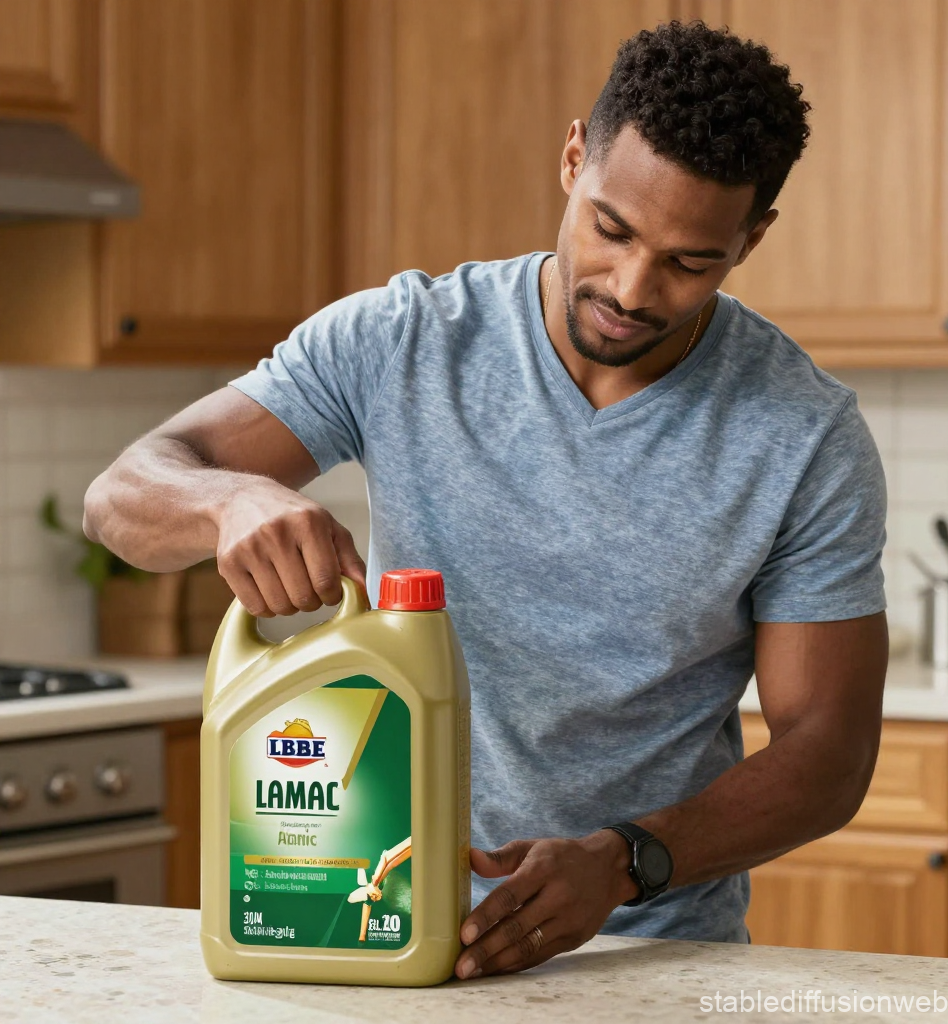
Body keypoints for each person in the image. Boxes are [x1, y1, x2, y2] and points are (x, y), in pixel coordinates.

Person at [84, 20, 887, 979]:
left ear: (751, 239)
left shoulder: (803, 436)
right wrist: (225, 504)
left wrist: (625, 859)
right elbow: (122, 495)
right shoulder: (402, 341)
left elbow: (828, 754)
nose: (630, 288)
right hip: (373, 925)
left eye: (689, 262)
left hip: (648, 955)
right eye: (612, 227)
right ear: (573, 158)